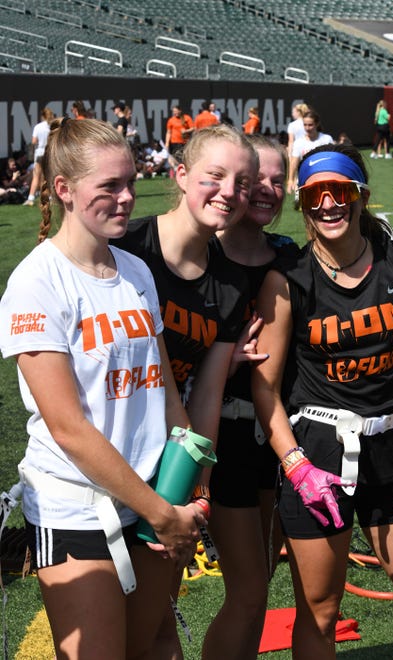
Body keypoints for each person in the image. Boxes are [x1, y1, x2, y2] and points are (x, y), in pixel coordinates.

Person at [0, 117, 206, 658]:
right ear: (63, 189)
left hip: (152, 497)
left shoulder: (136, 271)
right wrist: (164, 515)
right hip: (77, 509)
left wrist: (189, 484)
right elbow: (68, 428)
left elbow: (165, 392)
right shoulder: (35, 283)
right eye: (109, 186)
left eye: (131, 182)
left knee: (156, 645)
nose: (127, 198)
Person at [252, 142, 393, 659]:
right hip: (318, 454)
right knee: (320, 610)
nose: (328, 204)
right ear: (303, 202)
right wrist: (295, 465)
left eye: (340, 191)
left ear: (360, 194)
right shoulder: (287, 279)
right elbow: (264, 387)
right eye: (315, 195)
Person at [111, 123, 260, 658]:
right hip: (102, 458)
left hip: (165, 463)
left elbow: (207, 395)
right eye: (214, 176)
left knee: (155, 626)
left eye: (243, 183)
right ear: (179, 175)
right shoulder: (125, 246)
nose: (229, 193)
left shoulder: (231, 283)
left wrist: (197, 488)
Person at [203, 135, 299, 660]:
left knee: (260, 579)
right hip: (220, 438)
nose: (267, 189)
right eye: (254, 179)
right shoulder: (200, 255)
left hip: (277, 440)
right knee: (248, 588)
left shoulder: (290, 256)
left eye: (277, 179)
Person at [287, 110, 333, 196]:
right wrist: (290, 180)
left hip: (323, 178)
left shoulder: (326, 139)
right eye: (305, 125)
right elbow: (294, 162)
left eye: (310, 125)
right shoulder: (299, 142)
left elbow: (332, 160)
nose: (307, 128)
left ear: (317, 124)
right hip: (305, 180)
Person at [23, 106, 54, 207]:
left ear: (42, 116)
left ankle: (31, 198)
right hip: (49, 153)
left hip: (39, 152)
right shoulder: (52, 126)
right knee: (49, 176)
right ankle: (50, 198)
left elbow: (33, 141)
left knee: (36, 176)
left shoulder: (38, 127)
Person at [164, 105, 194, 174]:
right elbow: (168, 132)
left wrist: (186, 131)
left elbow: (193, 128)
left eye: (176, 111)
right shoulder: (171, 120)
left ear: (180, 111)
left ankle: (185, 171)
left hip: (184, 142)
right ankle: (174, 172)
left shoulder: (186, 118)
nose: (175, 113)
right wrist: (167, 143)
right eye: (174, 111)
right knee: (173, 158)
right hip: (174, 142)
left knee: (183, 158)